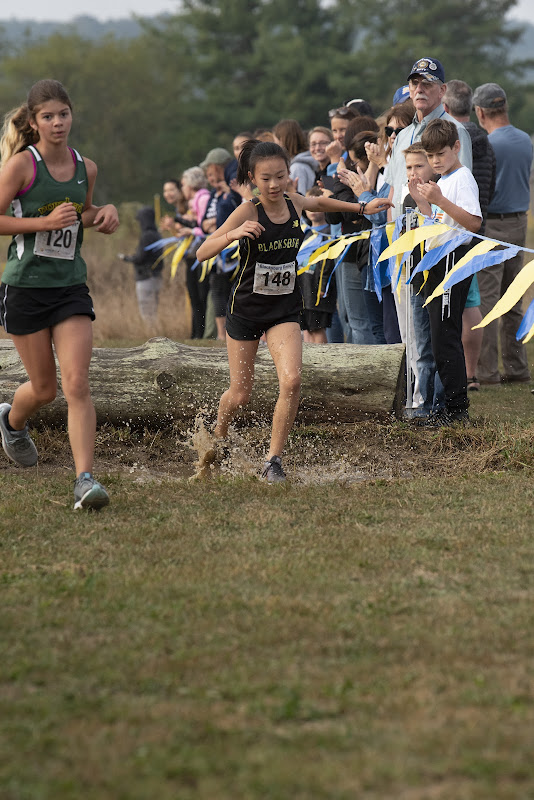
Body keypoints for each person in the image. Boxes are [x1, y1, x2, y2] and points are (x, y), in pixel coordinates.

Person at [195, 139, 392, 482]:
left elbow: (317, 200)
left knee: (293, 380)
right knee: (240, 394)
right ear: (253, 178)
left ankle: (273, 461)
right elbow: (201, 252)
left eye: (281, 176)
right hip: (245, 309)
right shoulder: (248, 211)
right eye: (266, 178)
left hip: (284, 309)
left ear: (289, 174)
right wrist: (234, 234)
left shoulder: (293, 202)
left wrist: (361, 208)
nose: (274, 185)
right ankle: (218, 434)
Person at [0, 79, 119, 509]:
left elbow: (81, 214)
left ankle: (85, 479)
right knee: (44, 389)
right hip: (25, 288)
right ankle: (11, 421)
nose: (57, 123)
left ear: (72, 116)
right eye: (47, 117)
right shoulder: (21, 167)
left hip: (69, 287)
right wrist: (41, 224)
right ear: (34, 122)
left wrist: (102, 213)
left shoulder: (85, 166)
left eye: (63, 115)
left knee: (77, 383)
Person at [415, 119, 482, 426]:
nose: (435, 161)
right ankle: (445, 407)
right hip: (440, 258)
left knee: (446, 336)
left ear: (456, 147)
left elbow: (473, 223)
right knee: (440, 335)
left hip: (455, 260)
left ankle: (456, 410)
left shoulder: (462, 179)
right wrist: (426, 204)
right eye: (430, 157)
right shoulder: (443, 180)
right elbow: (442, 223)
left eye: (441, 153)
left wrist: (439, 199)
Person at [472, 82, 532, 385]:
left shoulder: (488, 144)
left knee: (488, 300)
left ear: (480, 112)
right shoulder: (525, 140)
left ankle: (487, 372)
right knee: (513, 296)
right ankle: (517, 368)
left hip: (492, 225)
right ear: (504, 107)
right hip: (519, 223)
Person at [443, 79, 497, 390]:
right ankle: (473, 372)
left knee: (464, 302)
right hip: (483, 221)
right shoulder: (485, 140)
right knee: (473, 301)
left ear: (446, 107)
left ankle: (468, 373)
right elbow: (492, 184)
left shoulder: (455, 139)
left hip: (463, 231)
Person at [200, 147, 242, 340]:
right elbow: (204, 220)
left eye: (211, 171)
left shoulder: (232, 184)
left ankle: (233, 331)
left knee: (233, 287)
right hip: (218, 245)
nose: (211, 176)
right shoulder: (213, 194)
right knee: (217, 287)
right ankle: (220, 334)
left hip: (233, 245)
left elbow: (238, 208)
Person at [298, 186, 338, 343]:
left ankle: (321, 363)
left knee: (317, 328)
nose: (313, 210)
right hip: (303, 288)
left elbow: (328, 263)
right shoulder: (305, 232)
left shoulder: (329, 233)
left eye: (317, 205)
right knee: (306, 328)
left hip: (318, 289)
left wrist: (324, 287)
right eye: (309, 205)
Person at [119, 206, 164, 334]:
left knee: (146, 308)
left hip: (146, 277)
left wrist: (127, 258)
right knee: (153, 308)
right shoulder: (157, 234)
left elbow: (140, 257)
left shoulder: (146, 236)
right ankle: (155, 333)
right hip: (156, 276)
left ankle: (151, 334)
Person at [273, 119, 318, 195]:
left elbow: (300, 201)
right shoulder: (301, 163)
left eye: (275, 141)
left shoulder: (297, 168)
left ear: (282, 140)